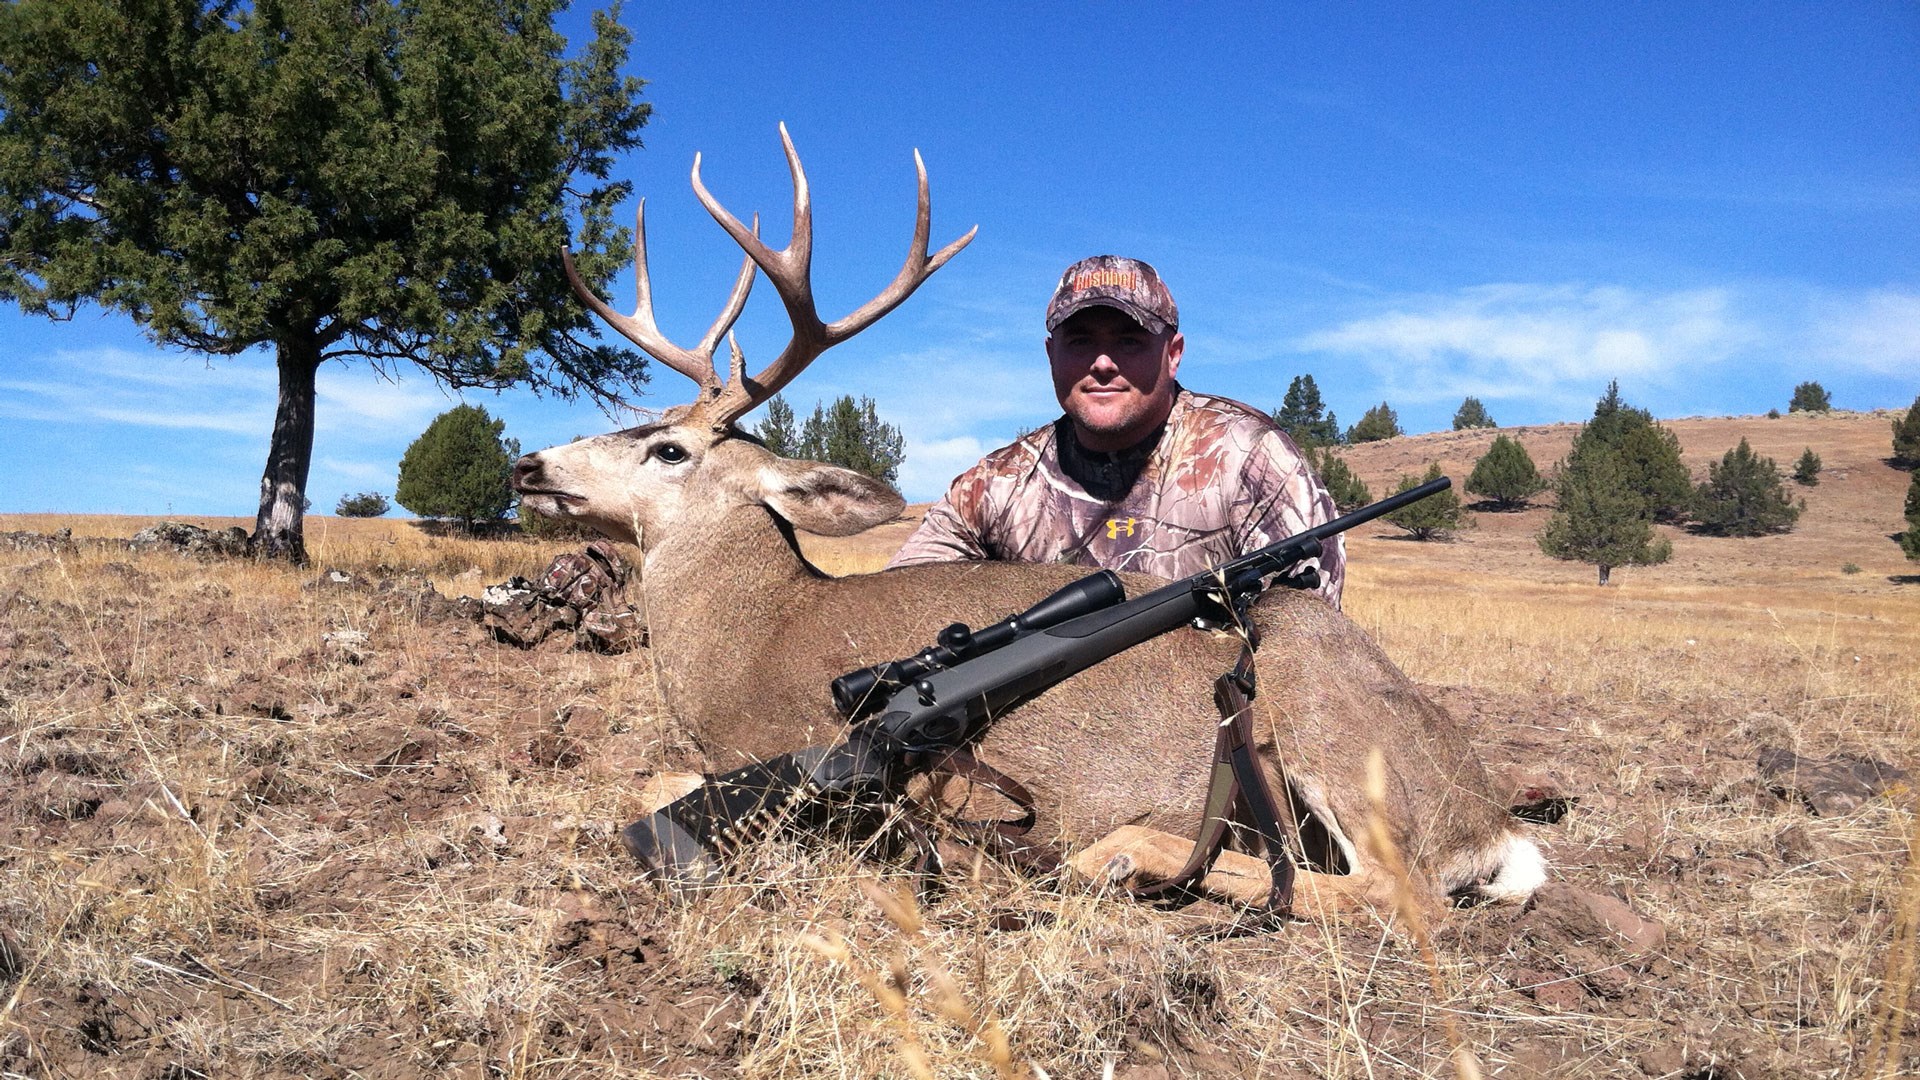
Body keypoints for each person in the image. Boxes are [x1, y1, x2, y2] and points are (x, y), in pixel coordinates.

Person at [887, 255, 1345, 607]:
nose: (1103, 364)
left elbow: (1307, 646)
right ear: (1051, 355)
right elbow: (896, 604)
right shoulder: (995, 486)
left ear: (1173, 353)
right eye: (1081, 341)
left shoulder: (1249, 457)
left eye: (1130, 341)